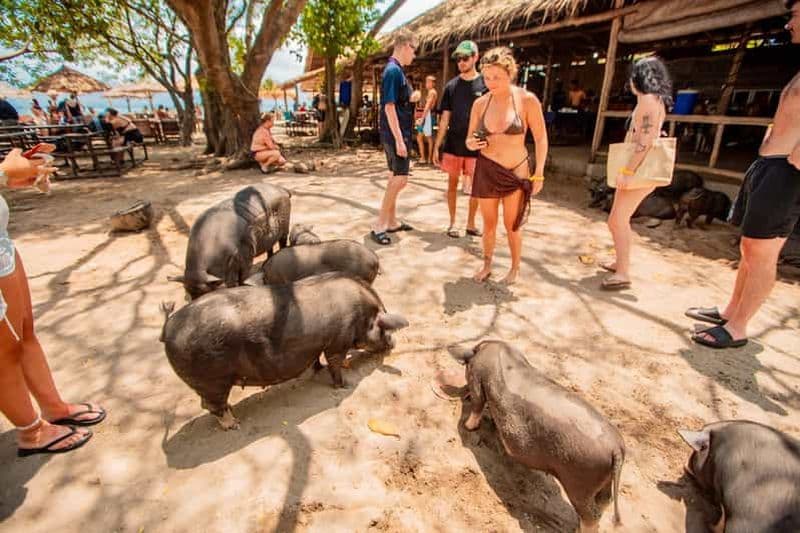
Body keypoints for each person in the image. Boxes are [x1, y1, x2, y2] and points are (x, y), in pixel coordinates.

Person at [688, 0, 800, 349]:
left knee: (763, 251)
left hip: (787, 169)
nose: (789, 24)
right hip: (771, 162)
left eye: (795, 15)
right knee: (749, 246)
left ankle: (738, 327)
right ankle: (730, 310)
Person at [0, 147, 106, 457]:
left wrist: (17, 174)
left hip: (2, 246)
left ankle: (53, 407)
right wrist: (6, 171)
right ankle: (31, 432)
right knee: (4, 353)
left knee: (24, 333)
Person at [466, 47, 548, 284]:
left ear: (510, 74)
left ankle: (514, 269)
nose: (491, 83)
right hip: (487, 169)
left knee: (512, 224)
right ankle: (487, 264)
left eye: (497, 78)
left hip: (516, 171)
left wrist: (539, 172)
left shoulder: (527, 100)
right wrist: (472, 143)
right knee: (488, 224)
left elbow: (541, 138)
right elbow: (469, 138)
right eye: (487, 77)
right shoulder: (480, 104)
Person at [601, 57, 673, 291]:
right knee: (617, 219)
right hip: (637, 169)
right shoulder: (653, 101)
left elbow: (645, 141)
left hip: (638, 170)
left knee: (617, 220)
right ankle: (620, 262)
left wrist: (627, 170)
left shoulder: (649, 102)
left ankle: (623, 272)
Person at [434, 40, 487, 239]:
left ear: (475, 57)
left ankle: (471, 223)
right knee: (452, 185)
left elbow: (489, 117)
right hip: (454, 144)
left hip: (477, 146)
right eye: (458, 59)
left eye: (465, 58)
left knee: (476, 188)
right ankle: (453, 222)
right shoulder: (451, 86)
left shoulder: (485, 84)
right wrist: (437, 144)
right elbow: (445, 117)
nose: (461, 62)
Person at [370, 29, 417, 246]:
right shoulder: (393, 71)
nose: (414, 55)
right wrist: (399, 140)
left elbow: (398, 102)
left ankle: (391, 221)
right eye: (413, 50)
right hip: (396, 134)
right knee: (400, 179)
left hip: (398, 132)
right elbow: (389, 108)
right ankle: (379, 224)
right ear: (405, 45)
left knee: (394, 176)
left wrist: (412, 97)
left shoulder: (397, 71)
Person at [415, 76, 438, 165]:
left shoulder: (432, 92)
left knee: (426, 137)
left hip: (428, 116)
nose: (427, 84)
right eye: (426, 82)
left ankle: (427, 158)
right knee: (421, 137)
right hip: (428, 115)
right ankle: (425, 157)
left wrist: (422, 118)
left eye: (428, 82)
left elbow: (428, 106)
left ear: (433, 83)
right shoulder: (431, 92)